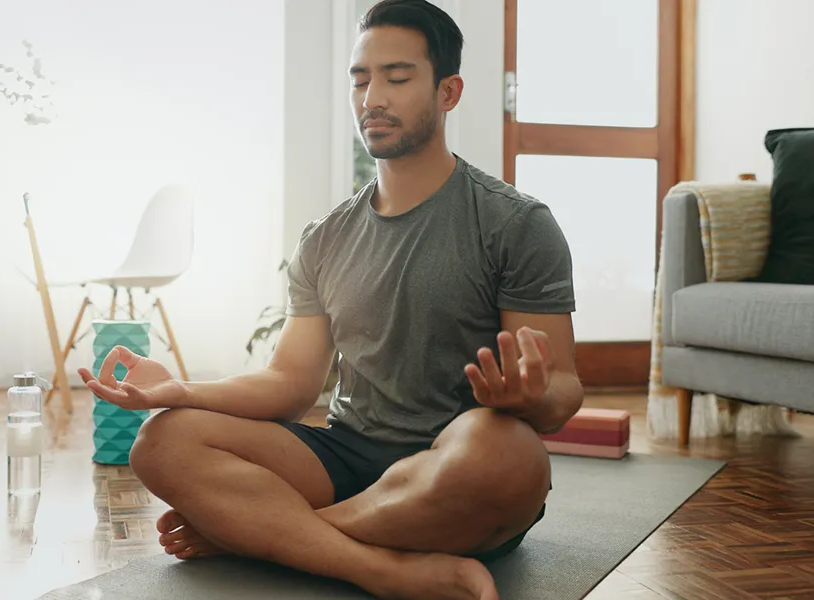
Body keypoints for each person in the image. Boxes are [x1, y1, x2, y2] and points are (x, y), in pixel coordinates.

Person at [80, 1, 583, 598]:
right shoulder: (325, 238)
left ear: (448, 91)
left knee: (508, 453)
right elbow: (290, 386)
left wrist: (530, 397)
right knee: (163, 440)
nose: (373, 97)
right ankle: (381, 568)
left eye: (397, 78)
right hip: (344, 456)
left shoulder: (515, 223)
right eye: (360, 78)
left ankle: (274, 536)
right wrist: (181, 391)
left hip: (456, 462)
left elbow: (563, 391)